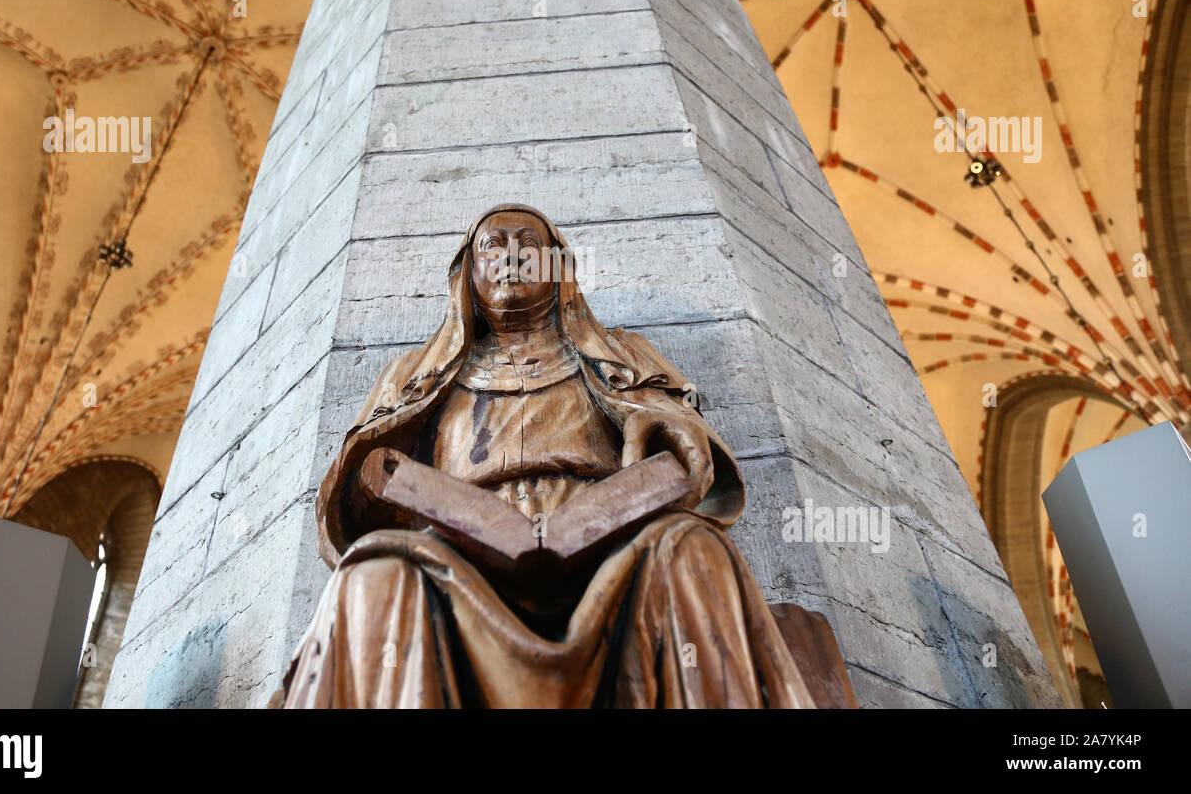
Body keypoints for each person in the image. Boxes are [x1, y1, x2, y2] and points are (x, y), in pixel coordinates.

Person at [275, 204, 841, 708]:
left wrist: (668, 437)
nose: (512, 257)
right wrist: (375, 487)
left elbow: (695, 461)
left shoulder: (620, 355)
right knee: (373, 573)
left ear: (558, 268)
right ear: (467, 275)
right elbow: (352, 500)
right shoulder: (412, 376)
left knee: (693, 547)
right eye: (492, 247)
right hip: (458, 558)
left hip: (608, 548)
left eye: (528, 245)